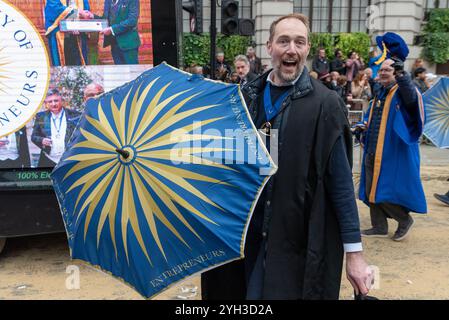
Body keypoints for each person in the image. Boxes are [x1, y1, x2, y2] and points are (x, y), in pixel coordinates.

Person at [201, 13, 373, 300]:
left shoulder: (325, 105)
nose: (291, 49)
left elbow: (340, 183)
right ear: (269, 46)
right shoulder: (245, 97)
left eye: (299, 42)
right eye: (283, 41)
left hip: (293, 243)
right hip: (243, 238)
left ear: (306, 49)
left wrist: (354, 253)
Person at [358, 32, 427, 242]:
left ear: (396, 71)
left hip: (392, 151)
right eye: (383, 70)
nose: (383, 73)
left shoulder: (404, 90)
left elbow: (410, 99)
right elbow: (372, 115)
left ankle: (403, 219)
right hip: (372, 149)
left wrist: (402, 75)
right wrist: (362, 126)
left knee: (384, 190)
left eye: (388, 70)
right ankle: (379, 226)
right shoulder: (381, 92)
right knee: (370, 190)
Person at [80, 0, 141, 65]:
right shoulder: (108, 1)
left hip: (129, 44)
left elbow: (132, 21)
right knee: (120, 73)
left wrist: (112, 30)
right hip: (114, 44)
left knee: (132, 73)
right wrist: (92, 16)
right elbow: (106, 20)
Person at [31, 89, 81, 168]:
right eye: (50, 102)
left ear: (61, 100)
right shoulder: (41, 116)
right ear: (46, 103)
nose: (53, 104)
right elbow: (34, 137)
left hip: (69, 159)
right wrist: (42, 140)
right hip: (48, 159)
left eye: (56, 101)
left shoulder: (75, 115)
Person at [44, 0, 91, 66]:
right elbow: (55, 9)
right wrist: (78, 12)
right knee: (62, 70)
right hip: (60, 34)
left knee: (79, 68)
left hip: (78, 36)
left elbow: (86, 10)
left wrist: (88, 15)